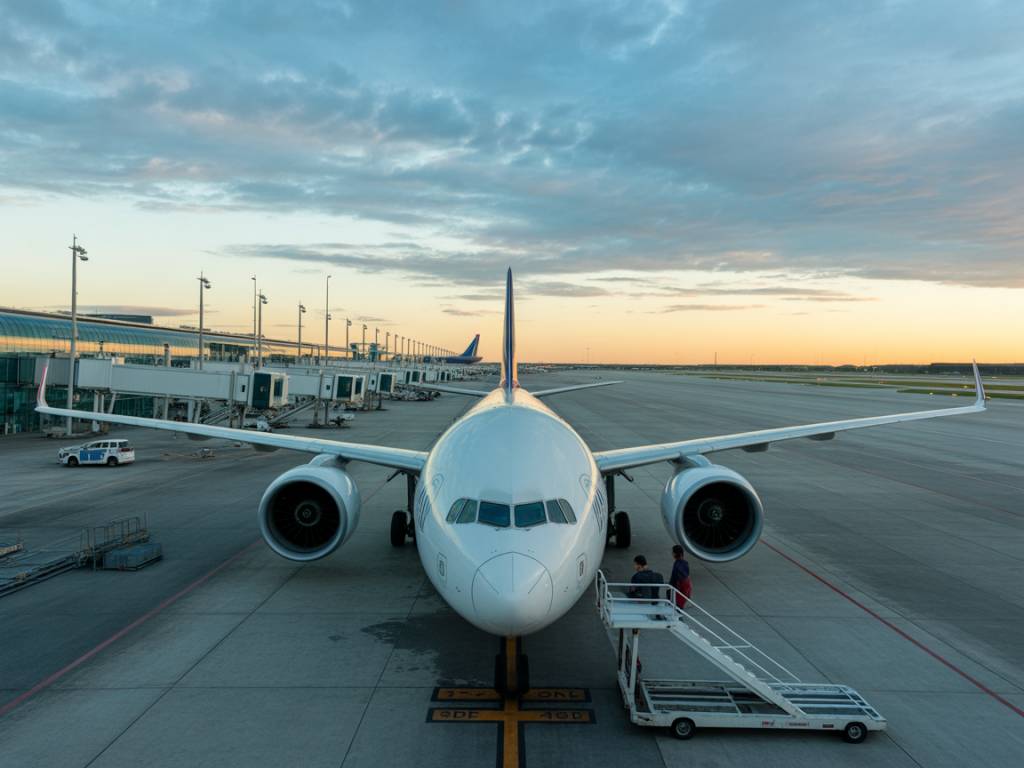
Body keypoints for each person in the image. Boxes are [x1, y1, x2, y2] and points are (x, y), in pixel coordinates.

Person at [669, 544, 693, 610]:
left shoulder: (677, 565)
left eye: (673, 552)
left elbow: (675, 579)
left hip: (679, 591)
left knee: (677, 609)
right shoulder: (685, 563)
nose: (672, 554)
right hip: (686, 590)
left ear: (675, 554)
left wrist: (670, 586)